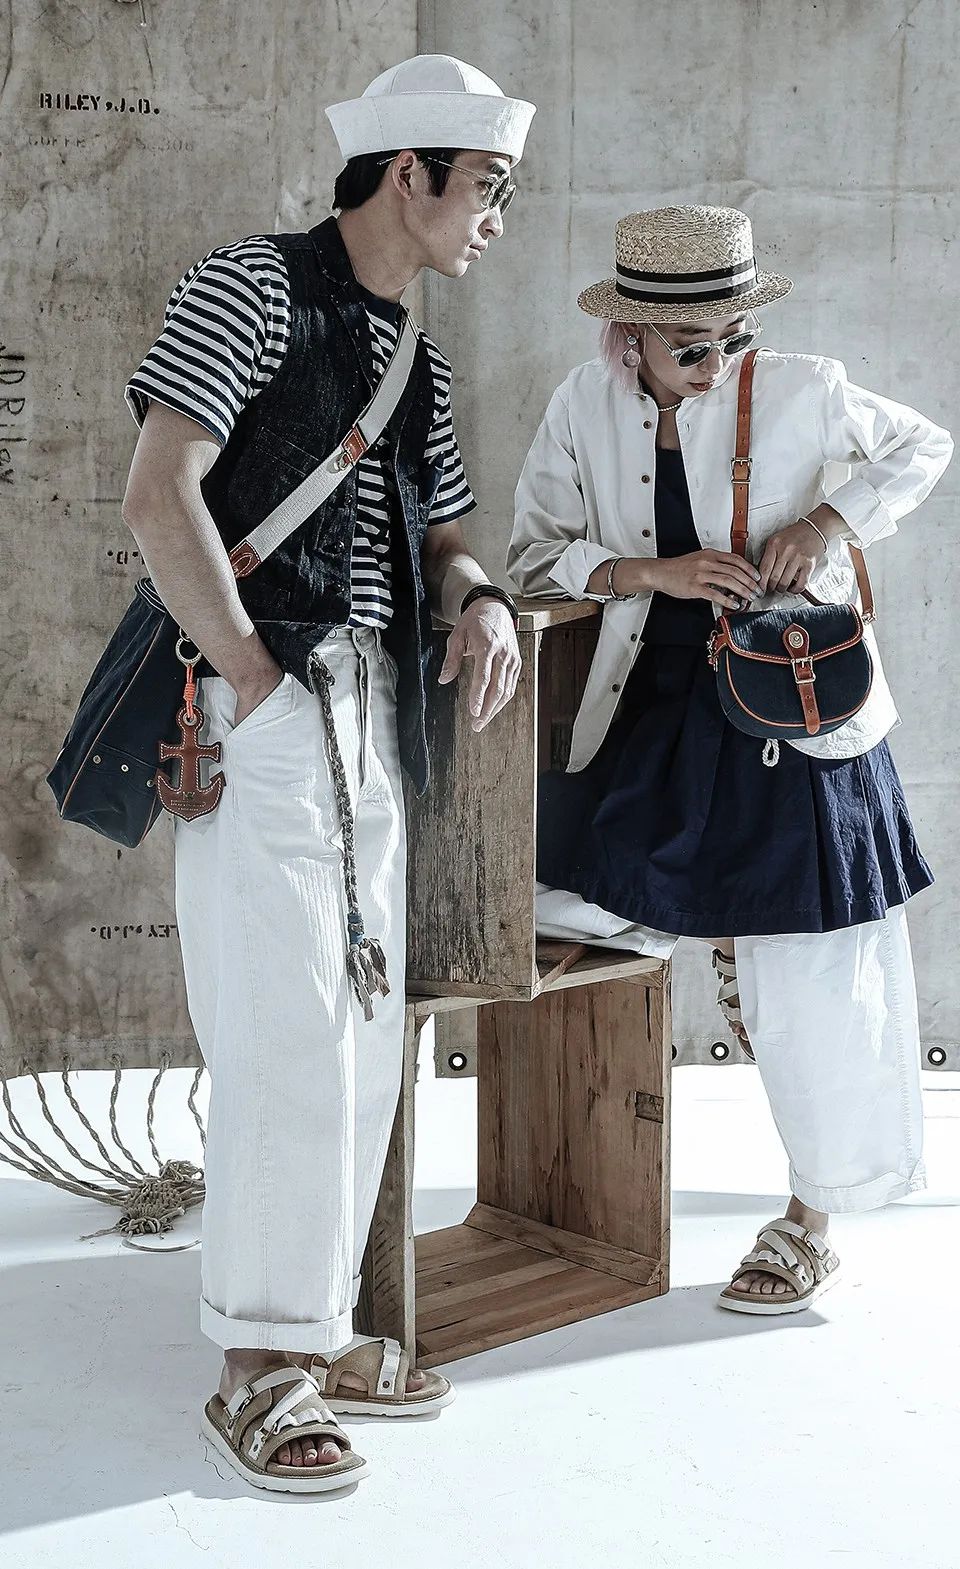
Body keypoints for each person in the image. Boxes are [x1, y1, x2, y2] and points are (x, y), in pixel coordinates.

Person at [121, 55, 534, 1494]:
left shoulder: (416, 348)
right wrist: (252, 683)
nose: (496, 218)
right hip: (268, 700)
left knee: (360, 1029)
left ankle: (314, 1323)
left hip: (379, 712)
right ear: (410, 173)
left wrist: (483, 598)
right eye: (486, 187)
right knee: (283, 1026)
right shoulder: (249, 284)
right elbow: (158, 488)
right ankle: (253, 1367)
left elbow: (447, 534)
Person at [509, 204, 952, 1321]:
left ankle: (813, 1218)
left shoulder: (804, 386)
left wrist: (829, 521)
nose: (720, 364)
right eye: (694, 347)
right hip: (649, 709)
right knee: (552, 904)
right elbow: (533, 552)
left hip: (791, 708)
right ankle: (571, 1190)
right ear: (633, 337)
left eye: (733, 337)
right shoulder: (581, 405)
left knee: (814, 964)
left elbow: (925, 444)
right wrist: (645, 574)